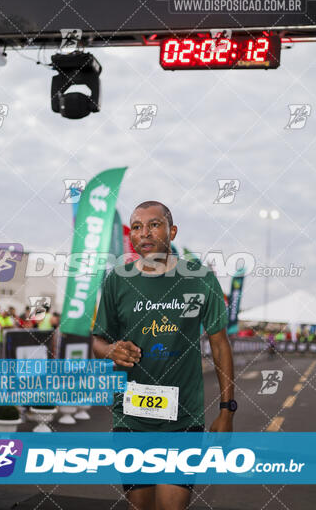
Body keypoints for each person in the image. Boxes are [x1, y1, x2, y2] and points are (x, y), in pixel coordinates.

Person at [92, 201, 236, 510]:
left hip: (183, 418)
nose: (144, 233)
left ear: (171, 231)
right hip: (130, 417)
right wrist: (111, 351)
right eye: (137, 227)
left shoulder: (199, 277)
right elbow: (98, 341)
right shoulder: (117, 279)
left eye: (154, 224)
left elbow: (220, 343)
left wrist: (227, 410)